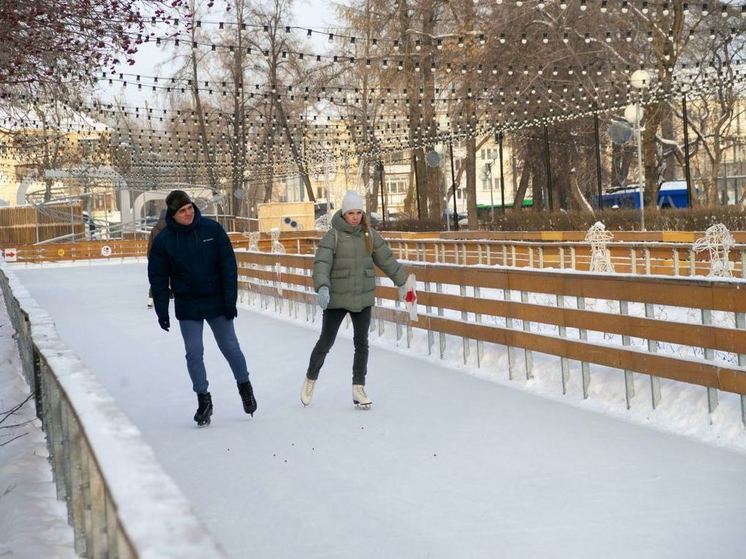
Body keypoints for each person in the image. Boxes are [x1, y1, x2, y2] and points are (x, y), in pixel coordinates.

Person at [148, 190, 257, 426]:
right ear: (173, 215)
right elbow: (158, 277)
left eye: (189, 208)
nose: (188, 213)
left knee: (230, 347)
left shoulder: (212, 230)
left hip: (216, 300)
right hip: (188, 303)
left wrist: (230, 301)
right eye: (181, 211)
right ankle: (203, 399)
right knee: (194, 352)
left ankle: (244, 386)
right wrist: (161, 310)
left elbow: (228, 266)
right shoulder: (164, 241)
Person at [301, 190, 407, 409]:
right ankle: (311, 378)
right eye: (351, 213)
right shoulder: (334, 236)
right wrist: (322, 286)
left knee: (362, 344)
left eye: (359, 212)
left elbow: (386, 259)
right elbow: (322, 263)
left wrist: (402, 281)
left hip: (362, 296)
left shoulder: (369, 235)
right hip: (337, 298)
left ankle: (358, 387)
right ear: (343, 213)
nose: (356, 217)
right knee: (326, 341)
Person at [146, 209, 168, 309]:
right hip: (170, 259)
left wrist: (150, 259)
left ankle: (150, 300)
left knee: (157, 281)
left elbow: (150, 246)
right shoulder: (171, 228)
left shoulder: (154, 230)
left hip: (157, 260)